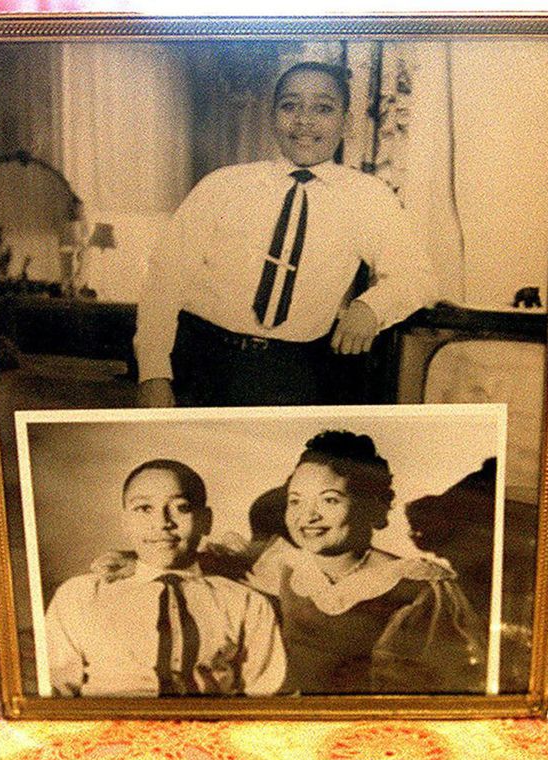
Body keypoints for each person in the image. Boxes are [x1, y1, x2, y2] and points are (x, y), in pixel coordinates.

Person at [132, 61, 435, 408]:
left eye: (323, 108)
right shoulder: (222, 185)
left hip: (292, 374)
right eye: (290, 106)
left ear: (346, 122)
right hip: (197, 362)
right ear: (273, 116)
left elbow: (418, 277)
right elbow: (164, 278)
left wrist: (371, 307)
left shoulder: (369, 197)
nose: (304, 121)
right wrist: (153, 373)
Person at [247, 431, 486, 693]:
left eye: (329, 499)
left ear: (370, 505)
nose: (308, 516)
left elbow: (442, 679)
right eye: (295, 501)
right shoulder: (284, 566)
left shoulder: (414, 586)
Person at [43, 459, 285, 697]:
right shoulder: (80, 595)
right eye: (144, 509)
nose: (162, 523)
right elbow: (55, 691)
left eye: (181, 507)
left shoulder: (246, 603)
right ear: (125, 520)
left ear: (206, 520)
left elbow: (262, 695)